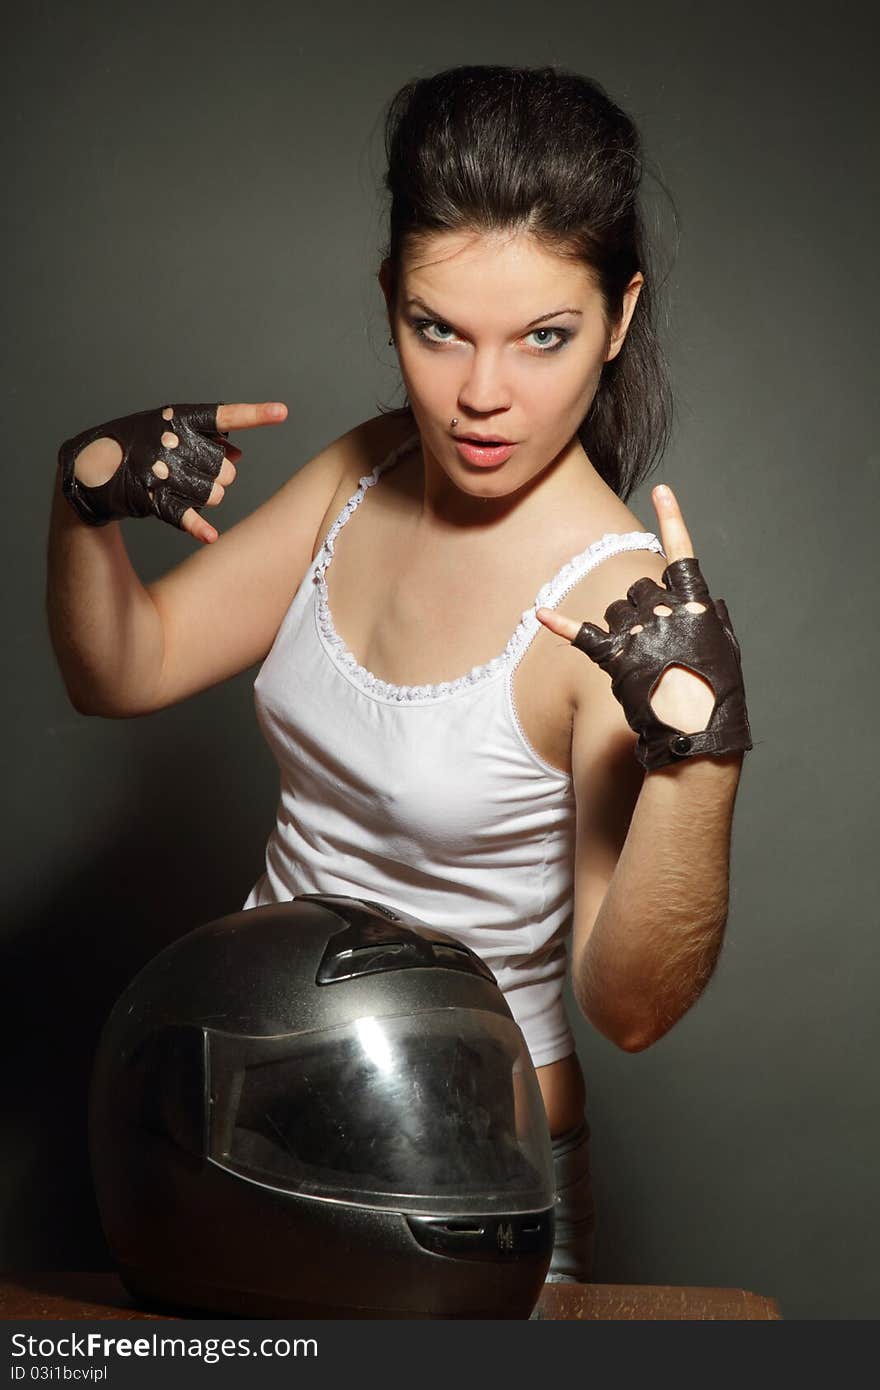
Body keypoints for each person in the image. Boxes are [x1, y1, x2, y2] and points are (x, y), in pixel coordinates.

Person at [47, 64, 752, 1287]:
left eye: (545, 336)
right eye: (440, 329)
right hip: (245, 1127)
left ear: (620, 317)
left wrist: (703, 761)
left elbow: (631, 1009)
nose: (483, 396)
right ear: (390, 300)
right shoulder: (364, 470)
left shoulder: (610, 608)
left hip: (473, 1181)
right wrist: (81, 508)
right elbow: (126, 666)